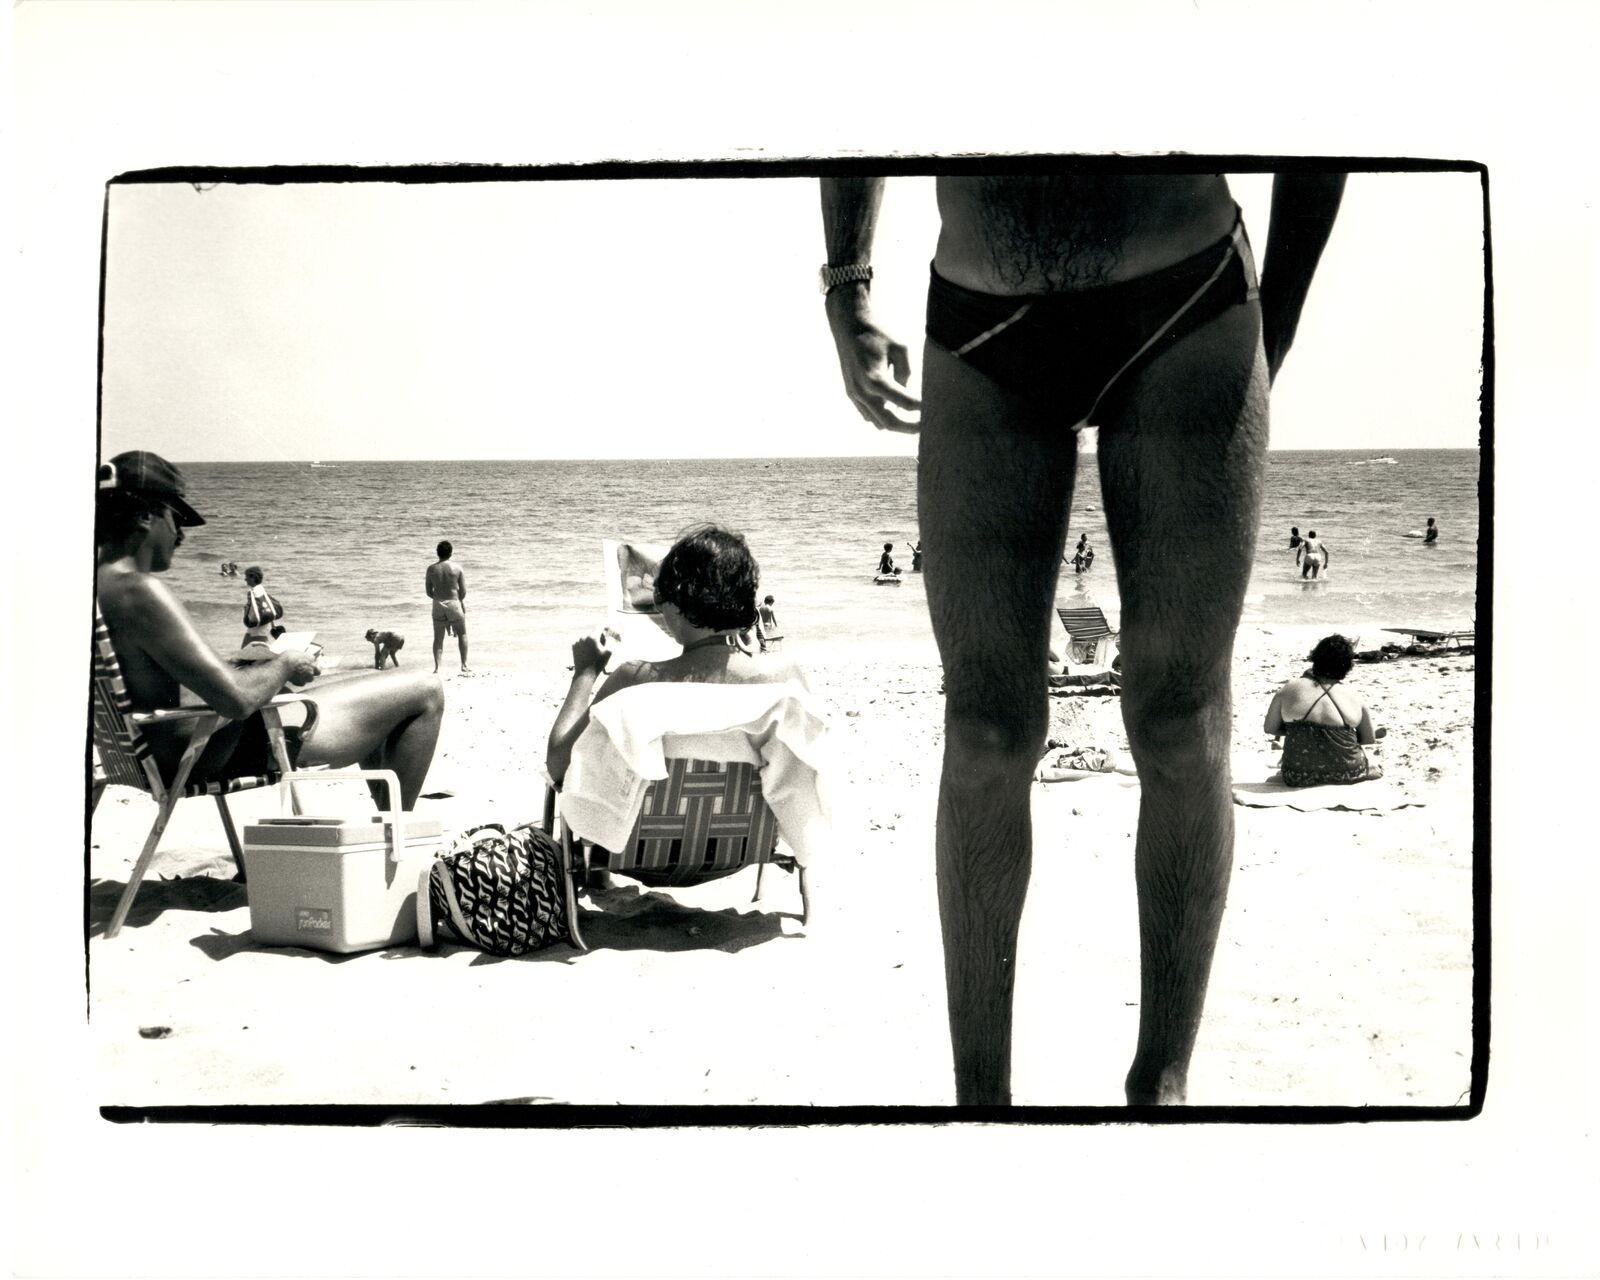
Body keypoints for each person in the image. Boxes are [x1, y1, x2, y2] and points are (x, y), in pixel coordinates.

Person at [821, 170, 1344, 1105]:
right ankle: (982, 1106)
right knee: (985, 734)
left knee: (1181, 721)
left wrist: (1281, 313)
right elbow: (853, 63)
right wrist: (846, 285)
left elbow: (1326, 102)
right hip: (981, 311)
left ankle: (1162, 1087)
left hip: (1185, 292)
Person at [94, 451, 445, 808]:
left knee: (367, 692)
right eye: (176, 518)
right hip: (207, 754)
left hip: (154, 755)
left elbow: (159, 680)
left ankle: (384, 832)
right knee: (424, 690)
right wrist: (287, 663)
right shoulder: (138, 590)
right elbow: (237, 701)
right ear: (144, 515)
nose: (180, 533)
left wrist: (246, 662)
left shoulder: (93, 588)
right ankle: (395, 837)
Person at [545, 525, 808, 786]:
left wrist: (585, 673)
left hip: (650, 827)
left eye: (659, 597)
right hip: (749, 828)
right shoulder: (786, 676)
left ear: (673, 604)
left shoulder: (633, 680)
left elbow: (559, 766)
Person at [1262, 635, 1382, 786]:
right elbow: (1368, 739)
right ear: (1347, 666)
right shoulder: (1354, 696)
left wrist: (1303, 731)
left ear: (1315, 658)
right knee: (1374, 767)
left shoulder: (1288, 688)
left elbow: (1269, 728)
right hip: (1348, 773)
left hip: (1298, 775)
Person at [425, 540, 471, 675]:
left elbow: (428, 592)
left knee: (438, 638)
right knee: (462, 633)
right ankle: (464, 665)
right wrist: (459, 601)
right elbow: (463, 592)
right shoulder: (457, 568)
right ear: (451, 552)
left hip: (438, 604)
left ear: (437, 553)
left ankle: (438, 668)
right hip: (453, 603)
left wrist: (439, 599)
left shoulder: (431, 569)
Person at [240, 565, 282, 652]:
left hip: (256, 624)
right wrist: (272, 623)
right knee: (255, 642)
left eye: (247, 577)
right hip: (262, 623)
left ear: (253, 577)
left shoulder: (253, 592)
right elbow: (267, 606)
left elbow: (256, 608)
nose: (245, 579)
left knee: (248, 648)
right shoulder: (261, 589)